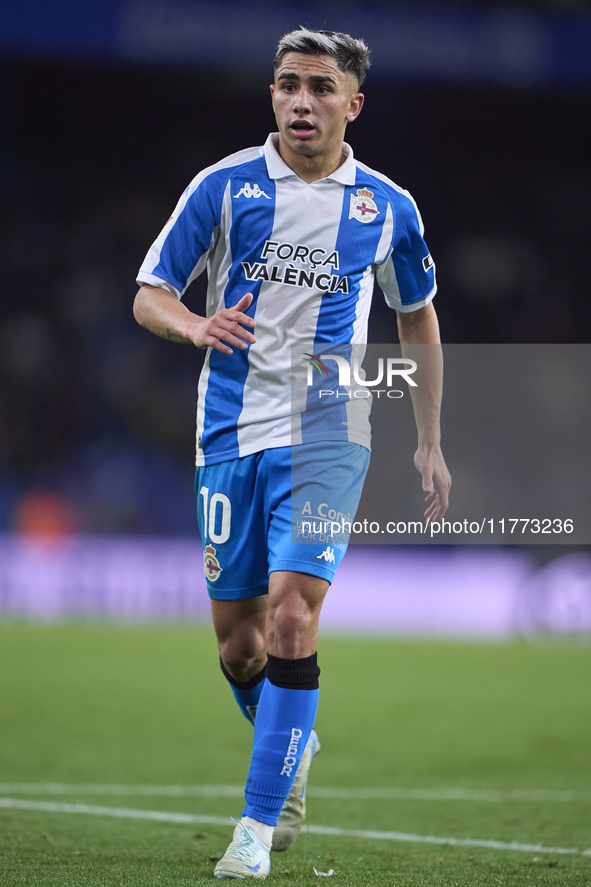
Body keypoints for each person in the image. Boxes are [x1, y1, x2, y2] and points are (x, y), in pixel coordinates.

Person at [134, 27, 451, 880]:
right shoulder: (224, 187)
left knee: (289, 619)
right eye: (286, 85)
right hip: (229, 427)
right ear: (271, 95)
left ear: (353, 103)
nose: (300, 101)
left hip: (328, 426)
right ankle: (293, 740)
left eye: (318, 87)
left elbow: (415, 312)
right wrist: (195, 322)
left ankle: (254, 825)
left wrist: (427, 437)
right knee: (240, 648)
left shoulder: (387, 206)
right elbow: (149, 293)